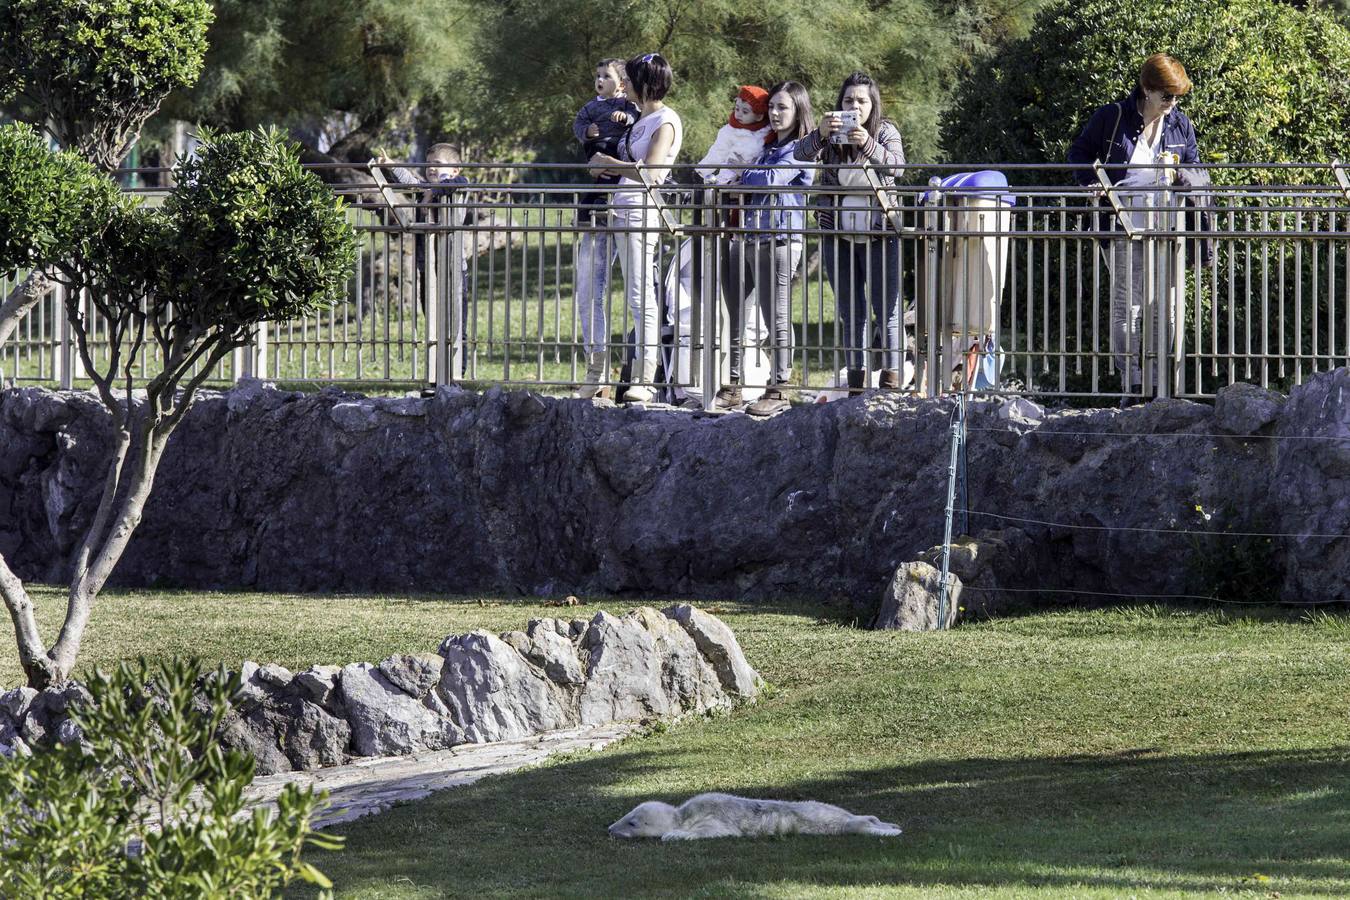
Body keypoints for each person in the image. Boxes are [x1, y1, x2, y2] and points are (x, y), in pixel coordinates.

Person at [1067, 53, 1199, 401]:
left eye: (1176, 97)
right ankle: (1133, 383)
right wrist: (1090, 183)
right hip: (1123, 222)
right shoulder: (1112, 118)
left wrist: (1187, 178)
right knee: (1130, 305)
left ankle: (1158, 383)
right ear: (1146, 89)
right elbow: (1078, 152)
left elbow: (1196, 168)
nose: (1171, 104)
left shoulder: (1180, 125)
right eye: (1166, 96)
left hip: (1169, 226)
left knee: (1166, 305)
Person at [794, 71, 906, 396]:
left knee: (887, 307)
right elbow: (800, 154)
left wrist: (867, 144)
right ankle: (856, 380)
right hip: (837, 231)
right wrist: (819, 135)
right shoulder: (829, 135)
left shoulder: (885, 131)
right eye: (848, 100)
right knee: (850, 309)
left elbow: (898, 167)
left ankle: (891, 378)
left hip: (880, 231)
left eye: (861, 100)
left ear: (873, 105)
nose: (854, 106)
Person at [715, 81, 815, 416]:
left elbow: (771, 180)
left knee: (777, 314)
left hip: (781, 237)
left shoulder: (802, 147)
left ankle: (779, 386)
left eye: (782, 107)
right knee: (733, 312)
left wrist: (743, 176)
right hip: (748, 234)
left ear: (798, 109)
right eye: (771, 107)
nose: (774, 113)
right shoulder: (768, 146)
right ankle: (733, 384)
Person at [588, 52, 683, 404]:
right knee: (629, 294)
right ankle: (615, 372)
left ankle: (645, 376)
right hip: (620, 212)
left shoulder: (665, 120)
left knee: (641, 295)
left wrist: (612, 163)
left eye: (627, 79)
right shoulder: (639, 118)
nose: (621, 84)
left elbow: (654, 174)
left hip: (641, 215)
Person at [572, 59, 641, 399]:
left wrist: (625, 118)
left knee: (640, 294)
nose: (600, 81)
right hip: (600, 190)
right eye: (596, 76)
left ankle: (643, 372)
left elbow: (637, 127)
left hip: (627, 197)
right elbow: (578, 126)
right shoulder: (589, 108)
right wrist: (587, 133)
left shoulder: (630, 108)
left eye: (607, 77)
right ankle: (595, 369)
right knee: (589, 289)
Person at [696, 85, 772, 185]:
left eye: (745, 112)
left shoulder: (767, 131)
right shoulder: (730, 131)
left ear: (759, 116)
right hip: (730, 173)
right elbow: (718, 150)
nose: (739, 114)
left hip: (755, 177)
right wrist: (704, 169)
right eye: (737, 109)